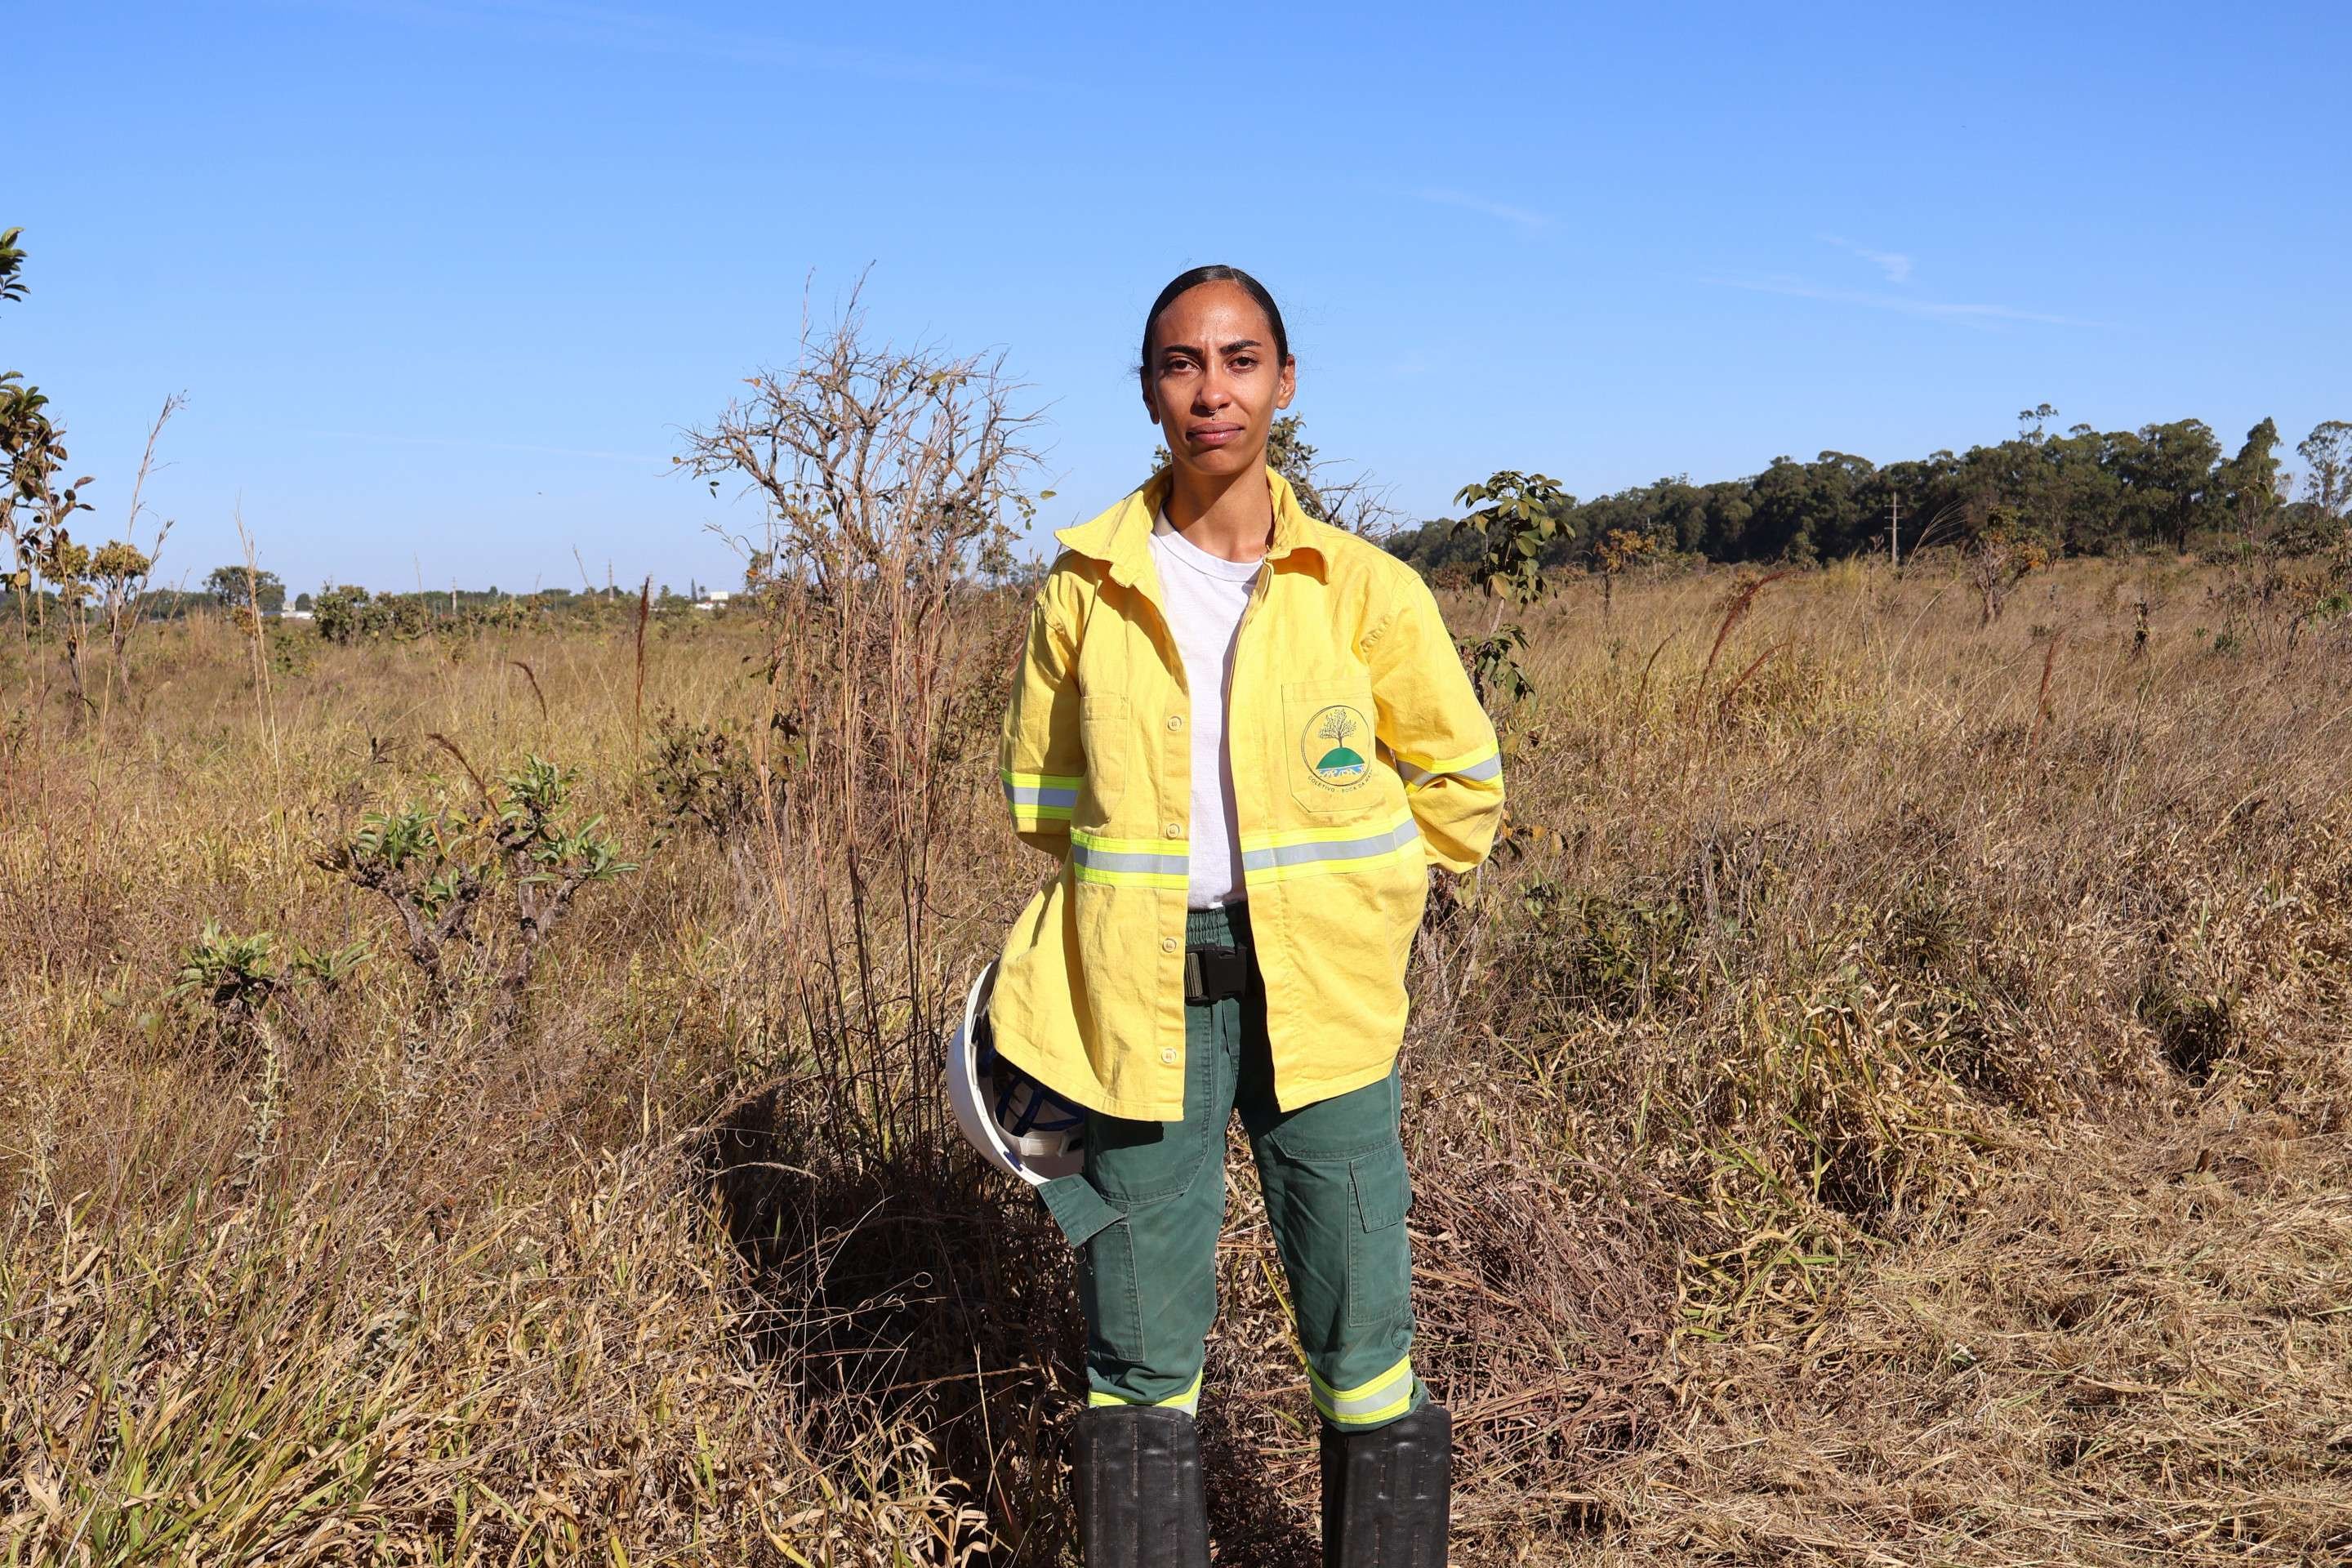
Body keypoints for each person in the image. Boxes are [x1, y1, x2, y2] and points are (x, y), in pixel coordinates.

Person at [990, 265, 1504, 1567]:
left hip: (1321, 997)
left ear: (1283, 381)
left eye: (1238, 360)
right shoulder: (1085, 584)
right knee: (1138, 1354)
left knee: (1363, 1341)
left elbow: (1461, 785)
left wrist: (1371, 900)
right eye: (1179, 363)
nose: (1209, 390)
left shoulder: (1365, 587)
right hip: (1140, 1002)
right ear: (1150, 390)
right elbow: (1048, 802)